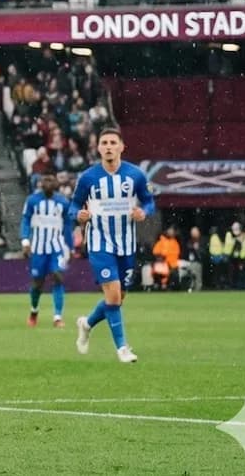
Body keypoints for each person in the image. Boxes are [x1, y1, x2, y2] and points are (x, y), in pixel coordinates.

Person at [73, 129, 154, 363]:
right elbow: (74, 206)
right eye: (104, 143)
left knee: (116, 299)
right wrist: (80, 214)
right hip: (99, 243)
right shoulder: (88, 177)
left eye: (112, 143)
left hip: (126, 244)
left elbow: (149, 202)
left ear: (121, 147)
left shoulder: (135, 175)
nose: (108, 146)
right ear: (98, 148)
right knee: (114, 294)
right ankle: (122, 348)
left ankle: (87, 324)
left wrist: (143, 212)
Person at [21, 174, 76, 328]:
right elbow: (25, 220)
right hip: (38, 249)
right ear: (41, 184)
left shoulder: (63, 202)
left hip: (56, 248)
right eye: (46, 180)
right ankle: (34, 311)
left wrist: (70, 247)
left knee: (58, 276)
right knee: (37, 284)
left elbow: (67, 226)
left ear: (56, 184)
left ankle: (57, 317)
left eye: (51, 180)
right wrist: (25, 241)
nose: (48, 183)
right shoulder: (32, 200)